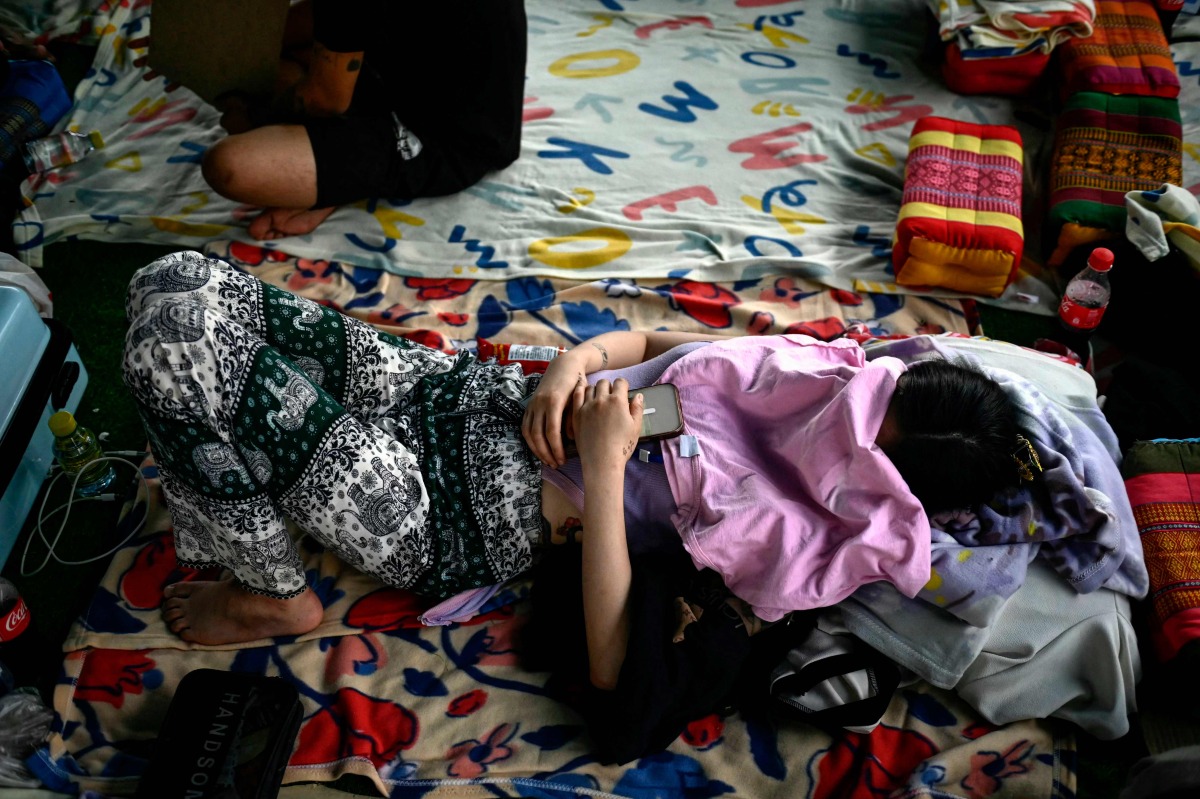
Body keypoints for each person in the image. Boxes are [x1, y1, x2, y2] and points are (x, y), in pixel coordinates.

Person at [124, 252, 1021, 650]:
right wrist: (572, 363)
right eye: (864, 400)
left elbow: (611, 652)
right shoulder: (813, 368)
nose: (831, 415)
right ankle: (248, 512)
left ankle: (270, 593)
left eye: (853, 437)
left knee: (178, 342)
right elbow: (658, 343)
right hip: (459, 393)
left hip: (446, 511)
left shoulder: (796, 539)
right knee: (177, 282)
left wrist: (601, 464)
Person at [199, 0, 527, 241]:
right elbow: (318, 17)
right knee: (271, 66)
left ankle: (347, 184)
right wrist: (210, 52)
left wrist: (253, 112)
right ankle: (336, 174)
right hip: (397, 73)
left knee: (230, 165)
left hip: (454, 139)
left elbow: (323, 101)